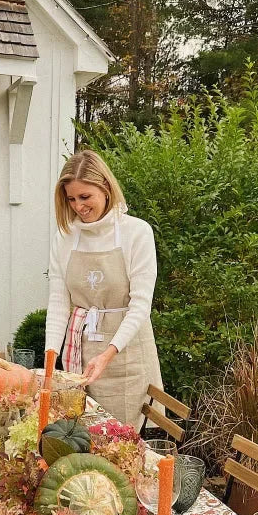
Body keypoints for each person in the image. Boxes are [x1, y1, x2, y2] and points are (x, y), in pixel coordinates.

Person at [45, 149, 162, 430]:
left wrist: (108, 353)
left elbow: (140, 306)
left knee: (122, 445)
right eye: (71, 199)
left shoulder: (137, 232)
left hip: (126, 356)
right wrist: (50, 362)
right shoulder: (65, 237)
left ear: (106, 188)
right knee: (81, 436)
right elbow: (59, 303)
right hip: (80, 355)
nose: (78, 206)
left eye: (85, 197)